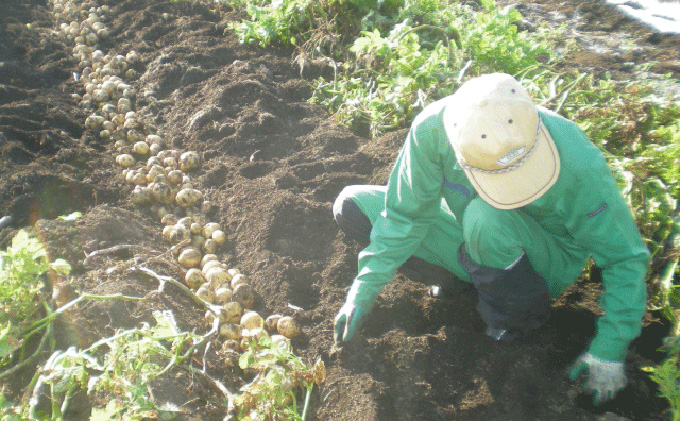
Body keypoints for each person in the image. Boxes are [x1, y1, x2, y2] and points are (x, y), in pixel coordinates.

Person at [331, 73, 651, 405]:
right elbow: (404, 217)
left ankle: (514, 319)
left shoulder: (577, 162)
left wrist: (610, 349)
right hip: (476, 233)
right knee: (353, 205)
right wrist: (361, 293)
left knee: (486, 219)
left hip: (544, 260)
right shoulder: (432, 131)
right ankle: (466, 282)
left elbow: (624, 257)